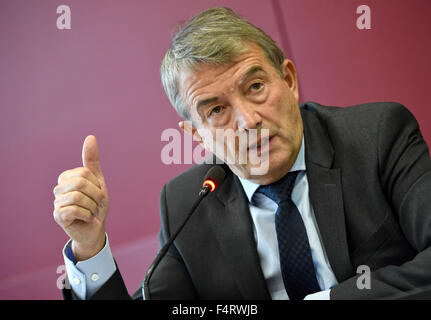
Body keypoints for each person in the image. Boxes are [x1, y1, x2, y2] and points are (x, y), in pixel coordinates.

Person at [53, 7, 431, 300]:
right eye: (216, 110)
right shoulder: (188, 202)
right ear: (196, 136)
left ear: (289, 80)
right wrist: (89, 247)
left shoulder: (377, 135)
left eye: (255, 86)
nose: (248, 121)